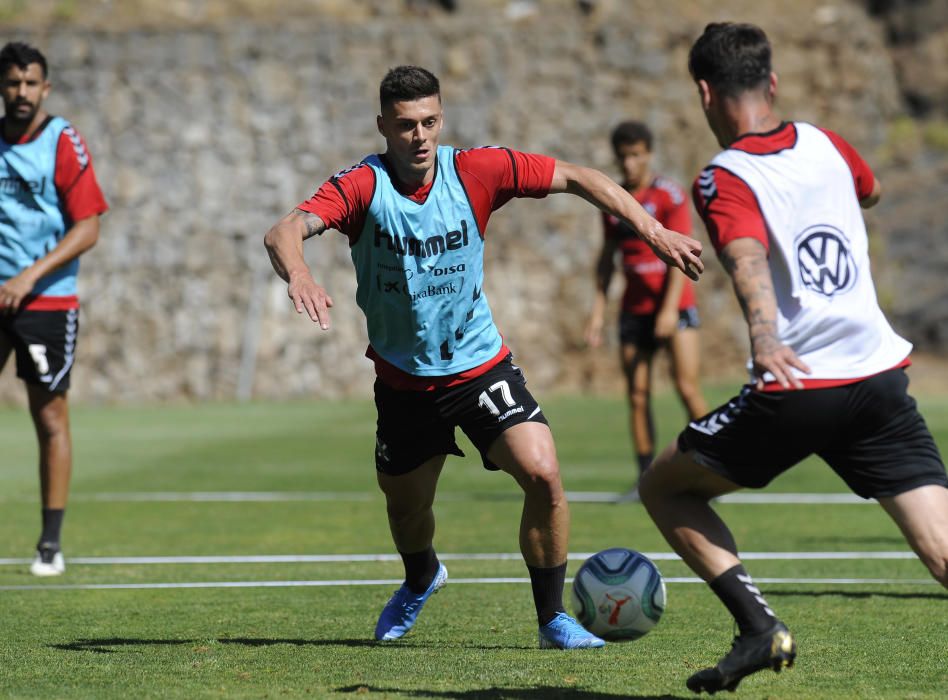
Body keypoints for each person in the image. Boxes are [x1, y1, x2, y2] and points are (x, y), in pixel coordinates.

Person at [264, 65, 703, 648]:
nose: (419, 136)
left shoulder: (477, 170)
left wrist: (653, 230)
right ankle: (421, 576)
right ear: (382, 127)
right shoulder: (361, 187)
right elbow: (285, 230)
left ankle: (552, 620)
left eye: (429, 122)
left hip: (478, 365)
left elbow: (577, 176)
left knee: (543, 474)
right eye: (404, 126)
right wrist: (299, 273)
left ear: (441, 120)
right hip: (405, 382)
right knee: (407, 509)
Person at [638, 22, 948, 694]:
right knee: (943, 550)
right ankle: (756, 632)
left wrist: (765, 335)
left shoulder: (723, 176)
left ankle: (758, 627)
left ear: (704, 93)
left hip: (803, 383)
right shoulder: (828, 144)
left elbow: (745, 256)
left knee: (663, 487)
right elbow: (870, 191)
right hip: (879, 376)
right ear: (771, 83)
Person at [0, 42, 108, 576]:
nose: (21, 92)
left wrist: (28, 276)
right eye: (12, 82)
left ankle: (50, 544)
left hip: (45, 300)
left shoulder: (61, 141)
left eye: (30, 83)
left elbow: (88, 225)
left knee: (48, 415)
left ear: (45, 88)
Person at [584, 121, 707, 498]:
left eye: (637, 155)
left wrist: (670, 310)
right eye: (624, 157)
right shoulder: (613, 202)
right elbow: (606, 261)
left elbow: (681, 254)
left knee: (686, 387)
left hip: (676, 308)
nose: (630, 163)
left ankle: (716, 464)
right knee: (637, 395)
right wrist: (598, 312)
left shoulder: (668, 196)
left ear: (649, 154)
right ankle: (644, 479)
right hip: (634, 310)